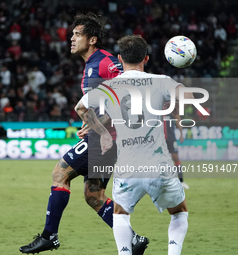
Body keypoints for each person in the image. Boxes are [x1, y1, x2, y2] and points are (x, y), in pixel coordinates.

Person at [20, 13, 148, 254]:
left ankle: (49, 236)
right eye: (72, 34)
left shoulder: (105, 62)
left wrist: (102, 123)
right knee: (94, 195)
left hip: (108, 138)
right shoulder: (91, 65)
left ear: (92, 39)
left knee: (60, 173)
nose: (71, 39)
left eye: (77, 35)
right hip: (105, 137)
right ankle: (133, 239)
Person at [75, 35, 193, 254]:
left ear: (120, 58)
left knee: (120, 214)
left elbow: (80, 108)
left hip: (128, 167)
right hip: (159, 166)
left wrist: (102, 133)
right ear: (146, 58)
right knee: (179, 212)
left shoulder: (109, 86)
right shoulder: (162, 81)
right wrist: (178, 116)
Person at [164, 112, 189, 189]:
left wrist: (181, 133)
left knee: (175, 157)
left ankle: (181, 181)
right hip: (158, 138)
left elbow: (177, 118)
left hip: (170, 137)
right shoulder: (154, 105)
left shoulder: (169, 104)